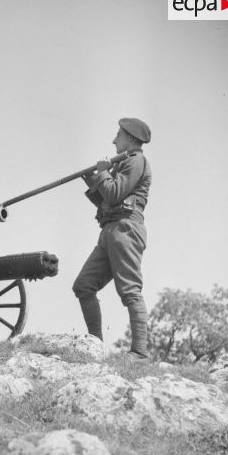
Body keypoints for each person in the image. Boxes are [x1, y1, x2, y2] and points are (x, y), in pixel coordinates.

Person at [73, 118, 152, 358]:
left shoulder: (136, 161)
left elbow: (115, 193)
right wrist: (93, 178)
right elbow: (106, 201)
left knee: (130, 290)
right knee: (83, 286)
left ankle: (139, 352)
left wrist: (104, 172)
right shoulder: (123, 164)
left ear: (130, 138)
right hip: (110, 230)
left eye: (118, 135)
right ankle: (95, 346)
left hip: (126, 230)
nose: (114, 140)